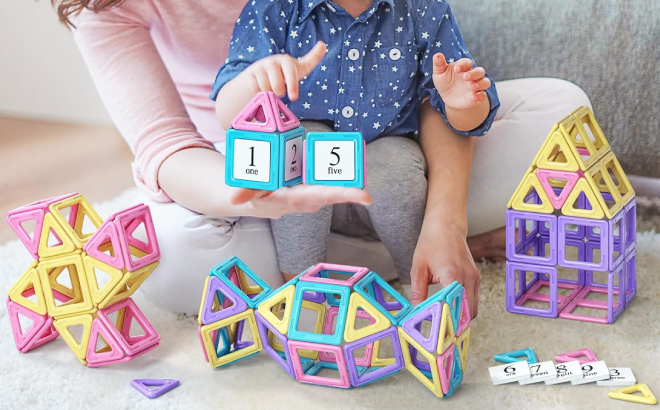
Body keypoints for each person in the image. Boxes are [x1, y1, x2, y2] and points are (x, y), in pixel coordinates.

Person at [65, 0, 591, 316]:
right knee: (173, 254)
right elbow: (169, 148)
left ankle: (424, 246)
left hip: (397, 154)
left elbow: (442, 97)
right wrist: (252, 194)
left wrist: (444, 211)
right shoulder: (272, 10)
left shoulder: (419, 8)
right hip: (256, 173)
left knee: (562, 108)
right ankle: (366, 262)